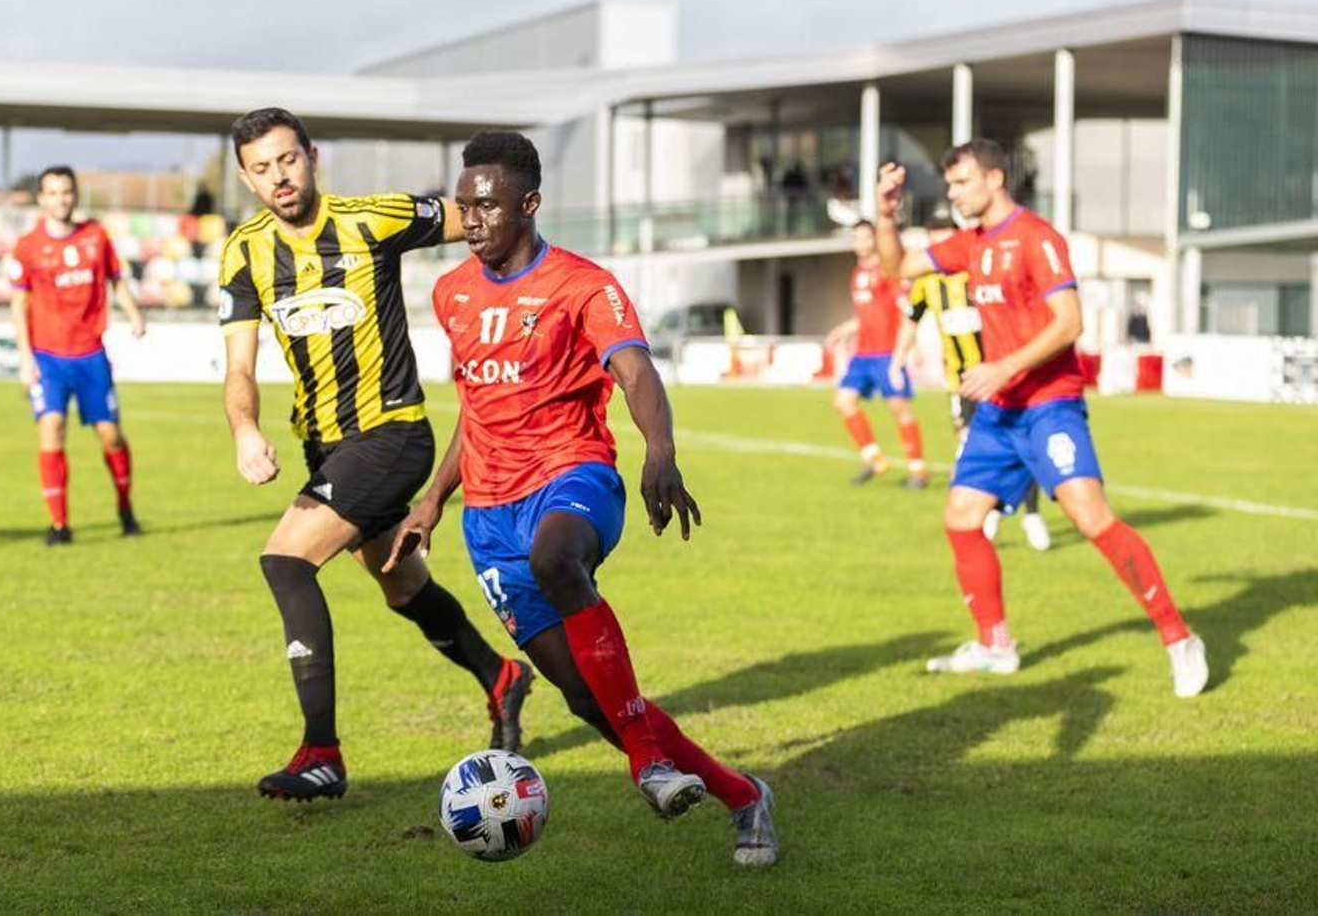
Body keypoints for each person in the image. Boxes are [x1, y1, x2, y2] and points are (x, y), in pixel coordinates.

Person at [391, 131, 777, 867]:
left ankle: (645, 764)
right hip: (487, 517)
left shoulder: (583, 284)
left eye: (486, 206)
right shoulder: (451, 294)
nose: (469, 219)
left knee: (558, 559)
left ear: (528, 204)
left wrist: (658, 450)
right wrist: (433, 498)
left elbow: (634, 370)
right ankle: (744, 794)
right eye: (463, 205)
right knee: (586, 697)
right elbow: (477, 407)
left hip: (574, 478)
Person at [217, 108, 532, 802]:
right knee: (403, 585)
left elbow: (482, 214)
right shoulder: (244, 252)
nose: (279, 178)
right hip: (327, 446)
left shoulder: (373, 219)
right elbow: (238, 366)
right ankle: (501, 676)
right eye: (263, 169)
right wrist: (244, 428)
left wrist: (519, 292)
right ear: (246, 178)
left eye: (288, 160)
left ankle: (321, 751)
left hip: (391, 434)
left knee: (286, 560)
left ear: (312, 156)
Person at [874, 140, 1208, 696]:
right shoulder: (971, 243)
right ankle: (995, 645)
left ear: (995, 178)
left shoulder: (1036, 238)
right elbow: (896, 265)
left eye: (961, 183)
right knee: (961, 516)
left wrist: (1003, 367)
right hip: (1000, 413)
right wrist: (887, 213)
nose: (953, 193)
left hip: (1050, 403)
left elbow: (1070, 321)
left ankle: (1179, 639)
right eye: (950, 185)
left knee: (1091, 518)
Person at [8, 166, 146, 547]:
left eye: (66, 192)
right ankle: (59, 525)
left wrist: (134, 313)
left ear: (75, 195)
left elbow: (116, 281)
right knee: (51, 430)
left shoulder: (96, 237)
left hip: (90, 354)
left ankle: (124, 507)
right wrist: (24, 358)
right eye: (52, 193)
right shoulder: (27, 245)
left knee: (111, 436)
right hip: (48, 356)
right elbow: (19, 304)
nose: (60, 199)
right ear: (41, 199)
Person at [906, 223, 1051, 551]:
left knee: (1023, 446)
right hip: (961, 381)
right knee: (973, 447)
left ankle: (1031, 515)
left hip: (1003, 377)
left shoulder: (979, 271)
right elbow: (911, 317)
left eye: (945, 234)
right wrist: (901, 353)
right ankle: (992, 509)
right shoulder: (927, 282)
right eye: (934, 235)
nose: (939, 240)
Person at [824, 220, 926, 487]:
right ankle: (874, 458)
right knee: (843, 401)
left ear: (874, 240)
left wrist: (912, 348)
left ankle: (918, 470)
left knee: (899, 409)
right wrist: (842, 330)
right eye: (856, 238)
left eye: (865, 237)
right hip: (863, 355)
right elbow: (865, 317)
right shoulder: (856, 273)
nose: (861, 243)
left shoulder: (888, 271)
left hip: (888, 354)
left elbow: (907, 312)